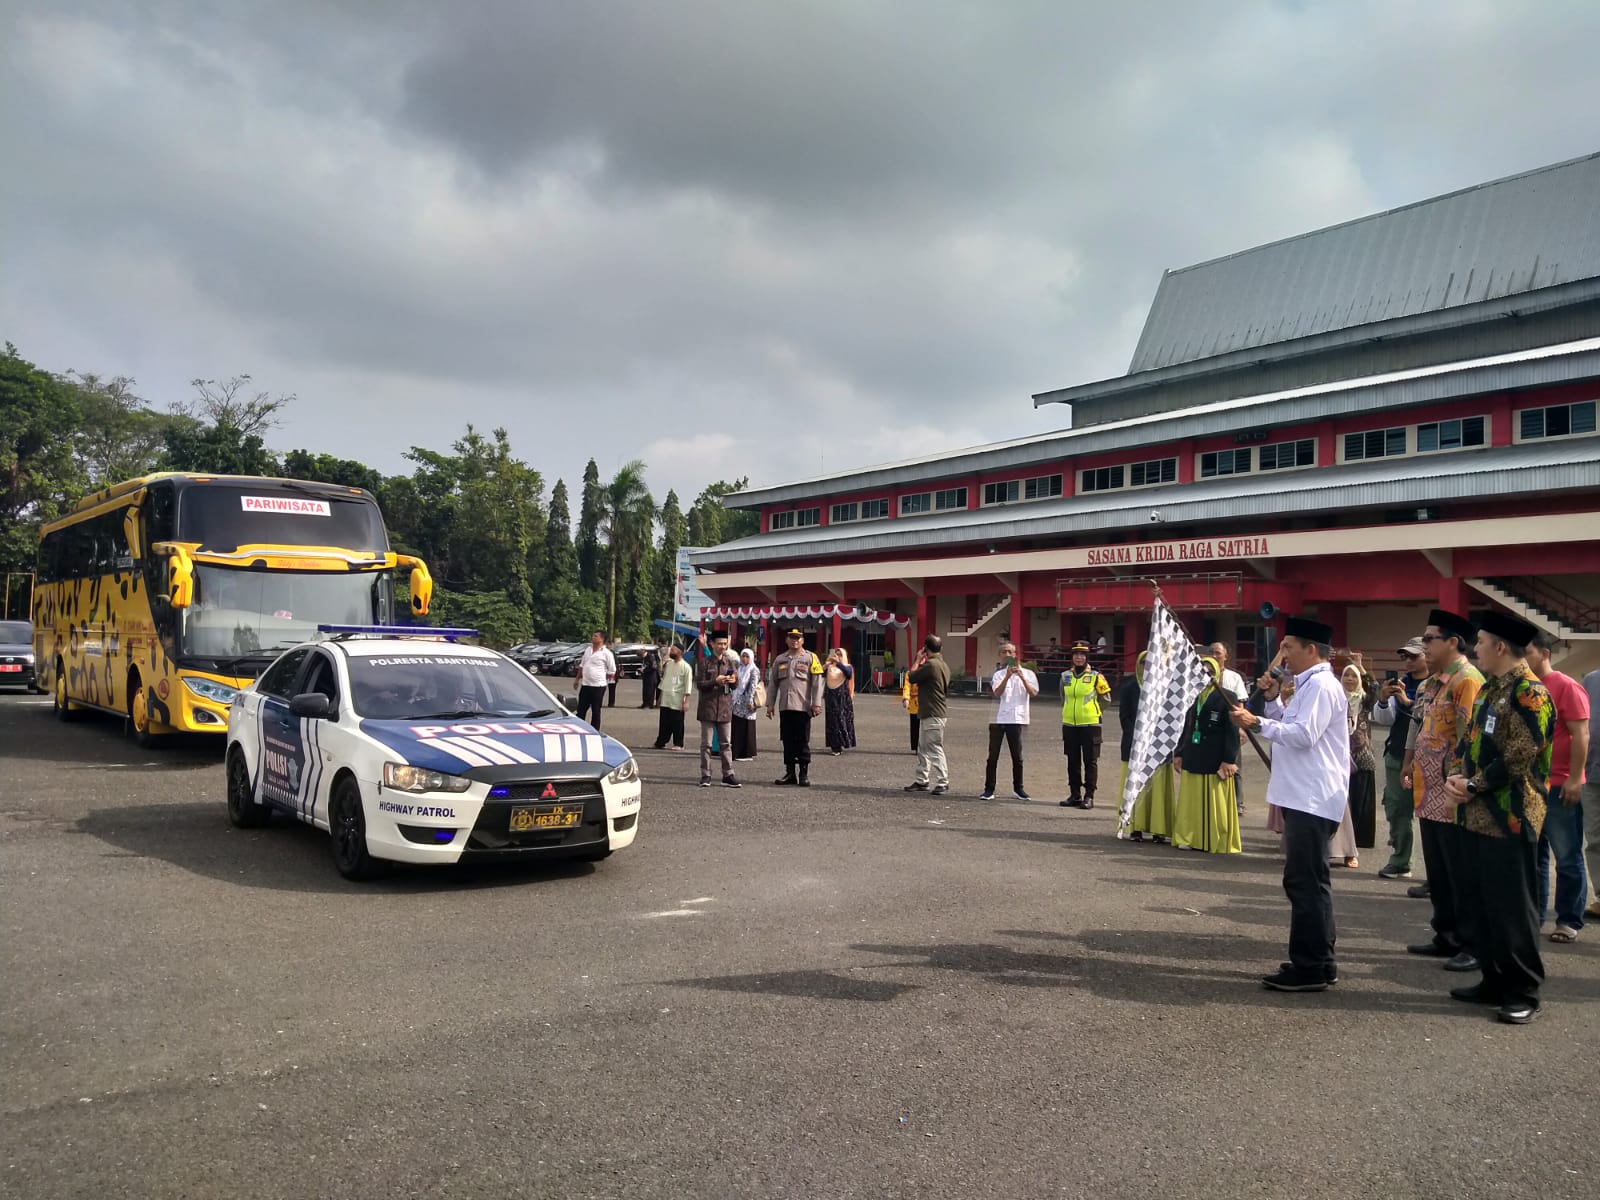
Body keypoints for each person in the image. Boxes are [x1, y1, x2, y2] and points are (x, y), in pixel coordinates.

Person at [1444, 611, 1555, 1024]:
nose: (1476, 650)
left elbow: (1520, 755)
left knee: (1512, 908)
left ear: (1501, 647)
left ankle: (1523, 988)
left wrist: (1473, 785)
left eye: (1482, 642)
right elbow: (1470, 741)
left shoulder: (1531, 694)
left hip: (1510, 817)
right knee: (1482, 905)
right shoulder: (1492, 690)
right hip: (1476, 815)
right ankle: (1493, 979)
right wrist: (1457, 776)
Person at [1230, 615, 1350, 992]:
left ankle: (1310, 965)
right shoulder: (1307, 685)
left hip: (1311, 797)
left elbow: (1304, 735)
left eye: (1289, 647)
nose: (1284, 654)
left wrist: (1256, 722)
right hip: (1305, 795)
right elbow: (1293, 724)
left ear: (1311, 649)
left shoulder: (1322, 686)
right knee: (1312, 882)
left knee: (1304, 883)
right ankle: (1320, 959)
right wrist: (1269, 704)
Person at [1402, 609, 1484, 972]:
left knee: (1460, 871)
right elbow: (1419, 727)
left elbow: (1470, 738)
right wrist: (1408, 761)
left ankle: (1471, 942)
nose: (1424, 647)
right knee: (1437, 870)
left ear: (1453, 642)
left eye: (1430, 639)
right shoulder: (1431, 683)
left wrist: (1462, 781)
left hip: (1452, 791)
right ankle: (1445, 934)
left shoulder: (1468, 680)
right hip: (1427, 788)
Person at [1524, 632, 1589, 943]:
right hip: (1532, 784)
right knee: (1535, 856)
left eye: (1528, 652)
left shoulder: (1565, 686)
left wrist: (1575, 779)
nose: (1523, 659)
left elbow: (1580, 734)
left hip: (1561, 783)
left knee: (1567, 855)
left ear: (1545, 653)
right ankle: (1534, 916)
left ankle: (1568, 920)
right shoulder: (1526, 688)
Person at [1370, 638, 1429, 878]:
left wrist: (1407, 702)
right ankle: (1401, 860)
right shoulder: (1402, 683)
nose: (1408, 662)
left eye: (1414, 657)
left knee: (1433, 817)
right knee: (1396, 809)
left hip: (1430, 758)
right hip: (1397, 753)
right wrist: (1384, 699)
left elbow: (1433, 716)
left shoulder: (1437, 684)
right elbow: (1384, 720)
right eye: (1405, 657)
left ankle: (1438, 872)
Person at [1172, 655, 1242, 853]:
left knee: (1216, 805)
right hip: (1193, 756)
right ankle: (1189, 837)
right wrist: (1179, 753)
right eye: (1201, 671)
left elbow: (1232, 732)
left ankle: (1216, 840)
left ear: (1217, 673)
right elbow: (1184, 728)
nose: (1205, 675)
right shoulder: (1191, 695)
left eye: (1210, 672)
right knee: (1190, 803)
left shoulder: (1227, 696)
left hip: (1215, 759)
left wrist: (1229, 759)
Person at [1124, 651, 1177, 843]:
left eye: (1152, 662)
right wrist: (1139, 738)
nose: (1148, 666)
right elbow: (1126, 718)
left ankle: (1159, 830)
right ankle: (1135, 828)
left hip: (1159, 745)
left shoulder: (1166, 688)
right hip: (1136, 745)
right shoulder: (1130, 687)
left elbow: (1171, 718)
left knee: (1158, 790)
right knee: (1137, 788)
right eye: (1145, 662)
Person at [980, 641, 1039, 801]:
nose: (1007, 655)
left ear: (1015, 654)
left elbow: (1033, 693)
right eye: (1004, 652)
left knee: (1017, 756)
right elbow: (997, 693)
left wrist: (1021, 677)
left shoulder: (1028, 673)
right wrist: (1007, 676)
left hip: (1018, 718)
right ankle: (989, 788)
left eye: (1010, 652)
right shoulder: (998, 674)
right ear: (1000, 655)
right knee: (993, 755)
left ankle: (1018, 788)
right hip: (998, 718)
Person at [767, 629, 824, 786]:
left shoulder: (811, 658)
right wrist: (770, 704)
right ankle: (790, 773)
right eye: (792, 638)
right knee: (787, 740)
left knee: (802, 740)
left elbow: (817, 683)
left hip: (802, 707)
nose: (795, 641)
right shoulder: (780, 659)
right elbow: (773, 684)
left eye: (798, 638)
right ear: (786, 640)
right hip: (785, 706)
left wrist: (816, 703)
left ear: (803, 641)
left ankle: (803, 774)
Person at [1335, 662, 1379, 869]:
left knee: (1359, 801)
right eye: (1346, 676)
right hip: (1338, 757)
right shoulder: (1335, 698)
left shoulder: (1364, 700)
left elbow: (1374, 689)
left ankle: (1355, 846)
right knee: (1342, 803)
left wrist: (1361, 667)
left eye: (1354, 676)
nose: (1350, 680)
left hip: (1361, 756)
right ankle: (1340, 846)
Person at [1059, 640, 1111, 808]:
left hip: (1090, 725)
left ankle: (1089, 795)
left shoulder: (1096, 676)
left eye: (1082, 655)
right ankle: (1075, 794)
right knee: (1072, 761)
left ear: (1087, 657)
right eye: (1076, 654)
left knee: (1090, 761)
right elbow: (1063, 697)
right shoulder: (1065, 676)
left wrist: (1095, 711)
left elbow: (1106, 699)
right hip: (1069, 724)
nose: (1079, 658)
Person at [695, 629, 741, 788]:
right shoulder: (705, 662)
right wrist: (715, 681)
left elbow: (736, 685)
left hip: (725, 708)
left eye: (724, 643)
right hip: (708, 708)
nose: (722, 646)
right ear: (712, 644)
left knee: (726, 744)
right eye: (719, 643)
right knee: (706, 744)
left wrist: (733, 680)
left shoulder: (730, 662)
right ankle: (705, 774)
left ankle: (728, 775)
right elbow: (699, 684)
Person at [904, 635, 951, 795]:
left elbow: (911, 677)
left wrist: (917, 660)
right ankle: (922, 780)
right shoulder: (943, 664)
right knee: (923, 747)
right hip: (933, 711)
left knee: (934, 747)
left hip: (932, 711)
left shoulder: (931, 665)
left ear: (926, 649)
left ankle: (943, 781)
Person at [1209, 641, 1250, 816]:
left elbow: (1240, 702)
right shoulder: (1202, 676)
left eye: (1218, 653)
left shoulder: (1234, 677)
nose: (1214, 655)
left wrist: (1241, 727)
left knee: (1234, 763)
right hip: (1210, 727)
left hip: (1230, 724)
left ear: (1226, 656)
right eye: (1211, 652)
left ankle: (1238, 802)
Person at [652, 646, 692, 750]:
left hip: (677, 699)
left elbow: (688, 685)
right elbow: (664, 681)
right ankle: (661, 742)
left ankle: (678, 743)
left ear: (680, 652)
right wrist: (659, 698)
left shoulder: (686, 667)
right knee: (664, 722)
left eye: (673, 650)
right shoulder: (669, 665)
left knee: (677, 723)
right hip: (666, 698)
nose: (671, 652)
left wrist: (686, 701)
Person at [574, 631, 616, 730]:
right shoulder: (588, 650)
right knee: (581, 710)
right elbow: (582, 665)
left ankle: (594, 730)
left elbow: (612, 670)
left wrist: (603, 679)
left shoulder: (606, 653)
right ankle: (579, 729)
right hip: (586, 684)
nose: (593, 637)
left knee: (596, 710)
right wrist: (577, 679)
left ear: (602, 639)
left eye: (595, 636)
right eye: (593, 635)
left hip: (598, 686)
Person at [823, 648, 857, 755]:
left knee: (840, 720)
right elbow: (819, 672)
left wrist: (839, 663)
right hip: (830, 696)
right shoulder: (830, 667)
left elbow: (848, 674)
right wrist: (827, 662)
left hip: (842, 697)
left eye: (840, 654)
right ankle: (834, 745)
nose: (837, 656)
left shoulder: (847, 667)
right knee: (831, 721)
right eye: (836, 654)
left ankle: (842, 742)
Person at [731, 647, 762, 762]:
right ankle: (737, 751)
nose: (744, 659)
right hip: (737, 702)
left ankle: (746, 753)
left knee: (747, 727)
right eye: (743, 656)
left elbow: (753, 687)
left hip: (747, 703)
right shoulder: (740, 668)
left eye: (747, 656)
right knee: (737, 727)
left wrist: (750, 701)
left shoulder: (754, 670)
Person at [901, 668, 920, 753]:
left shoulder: (927, 671)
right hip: (914, 703)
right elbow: (907, 686)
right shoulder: (910, 673)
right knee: (915, 726)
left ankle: (924, 746)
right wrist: (906, 698)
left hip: (925, 702)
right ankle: (916, 746)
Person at [640, 640, 661, 709]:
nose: (642, 657)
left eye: (642, 655)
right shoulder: (644, 658)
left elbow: (654, 667)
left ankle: (649, 704)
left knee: (650, 691)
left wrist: (645, 670)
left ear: (644, 652)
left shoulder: (651, 657)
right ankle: (644, 703)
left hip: (651, 677)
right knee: (645, 690)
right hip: (646, 677)